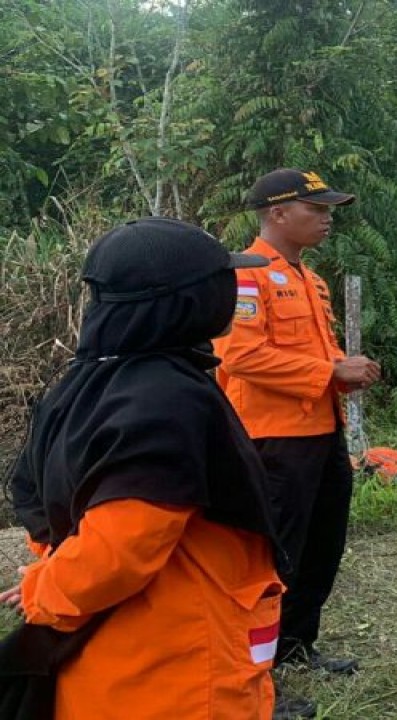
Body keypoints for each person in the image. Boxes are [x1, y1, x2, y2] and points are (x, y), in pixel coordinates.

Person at [1, 217, 282, 718]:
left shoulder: (86, 379)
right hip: (173, 665)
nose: (231, 290)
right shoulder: (165, 399)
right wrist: (44, 590)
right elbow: (121, 547)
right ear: (187, 300)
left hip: (113, 653)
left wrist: (49, 568)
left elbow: (35, 498)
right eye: (223, 280)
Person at [214, 169, 381, 679]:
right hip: (273, 440)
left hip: (320, 432)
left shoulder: (310, 278)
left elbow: (314, 350)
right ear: (278, 213)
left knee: (321, 546)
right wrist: (328, 371)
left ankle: (294, 648)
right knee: (274, 556)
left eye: (329, 209)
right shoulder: (245, 275)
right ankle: (252, 672)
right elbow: (238, 354)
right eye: (318, 209)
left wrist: (341, 376)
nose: (328, 218)